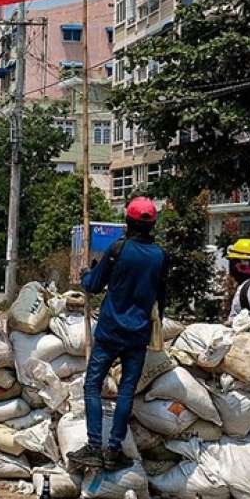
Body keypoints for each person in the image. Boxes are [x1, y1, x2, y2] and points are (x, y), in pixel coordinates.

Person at [68, 196, 168, 472]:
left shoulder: (118, 249)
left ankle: (93, 446)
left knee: (92, 385)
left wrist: (87, 272)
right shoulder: (160, 256)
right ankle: (113, 450)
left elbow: (94, 285)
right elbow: (161, 297)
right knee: (126, 389)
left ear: (128, 222)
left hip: (111, 330)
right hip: (138, 334)